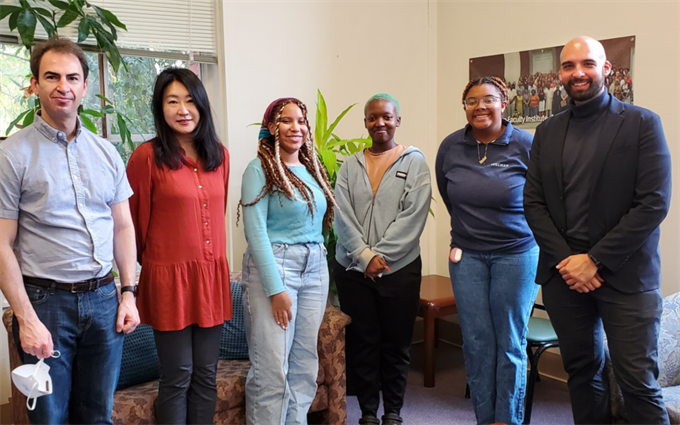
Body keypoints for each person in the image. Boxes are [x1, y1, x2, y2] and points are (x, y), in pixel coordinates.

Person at [524, 36, 672, 425]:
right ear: (559, 74)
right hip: (564, 278)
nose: (578, 73)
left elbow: (653, 203)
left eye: (587, 64)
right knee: (582, 373)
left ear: (606, 69)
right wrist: (569, 262)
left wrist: (595, 260)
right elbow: (533, 203)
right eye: (569, 66)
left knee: (637, 382)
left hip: (626, 277)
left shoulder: (642, 123)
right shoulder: (548, 131)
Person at [0, 37, 140, 424]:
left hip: (103, 300)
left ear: (85, 86)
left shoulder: (106, 152)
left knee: (97, 416)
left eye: (72, 77)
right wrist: (26, 318)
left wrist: (128, 293)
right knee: (50, 418)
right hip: (47, 304)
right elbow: (1, 245)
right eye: (52, 76)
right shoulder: (12, 155)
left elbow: (123, 226)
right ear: (34, 85)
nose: (63, 86)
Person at [126, 68, 231, 425]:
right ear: (160, 108)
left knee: (206, 373)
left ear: (201, 105)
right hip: (169, 280)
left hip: (211, 277)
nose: (183, 109)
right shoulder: (146, 157)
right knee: (178, 375)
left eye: (190, 100)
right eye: (172, 101)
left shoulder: (220, 155)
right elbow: (131, 224)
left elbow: (219, 212)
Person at [435, 76, 538, 425]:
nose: (480, 106)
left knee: (509, 342)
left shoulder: (525, 145)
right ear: (464, 107)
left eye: (488, 99)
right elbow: (451, 198)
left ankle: (506, 420)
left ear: (504, 103)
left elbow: (544, 200)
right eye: (471, 101)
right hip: (468, 257)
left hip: (517, 254)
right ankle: (485, 418)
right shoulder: (451, 147)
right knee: (477, 343)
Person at [334, 93, 431, 425]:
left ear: (398, 121)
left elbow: (413, 216)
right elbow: (342, 216)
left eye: (387, 117)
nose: (380, 123)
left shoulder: (414, 161)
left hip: (399, 269)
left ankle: (393, 411)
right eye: (373, 117)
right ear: (365, 123)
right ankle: (367, 412)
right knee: (363, 341)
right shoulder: (349, 166)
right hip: (353, 270)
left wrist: (381, 257)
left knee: (396, 343)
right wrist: (364, 257)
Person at [239, 97, 335, 425]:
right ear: (271, 127)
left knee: (305, 365)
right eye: (286, 121)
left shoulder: (311, 168)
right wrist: (275, 288)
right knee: (272, 369)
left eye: (301, 121)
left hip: (315, 266)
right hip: (276, 267)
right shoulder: (259, 169)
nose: (296, 128)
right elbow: (256, 233)